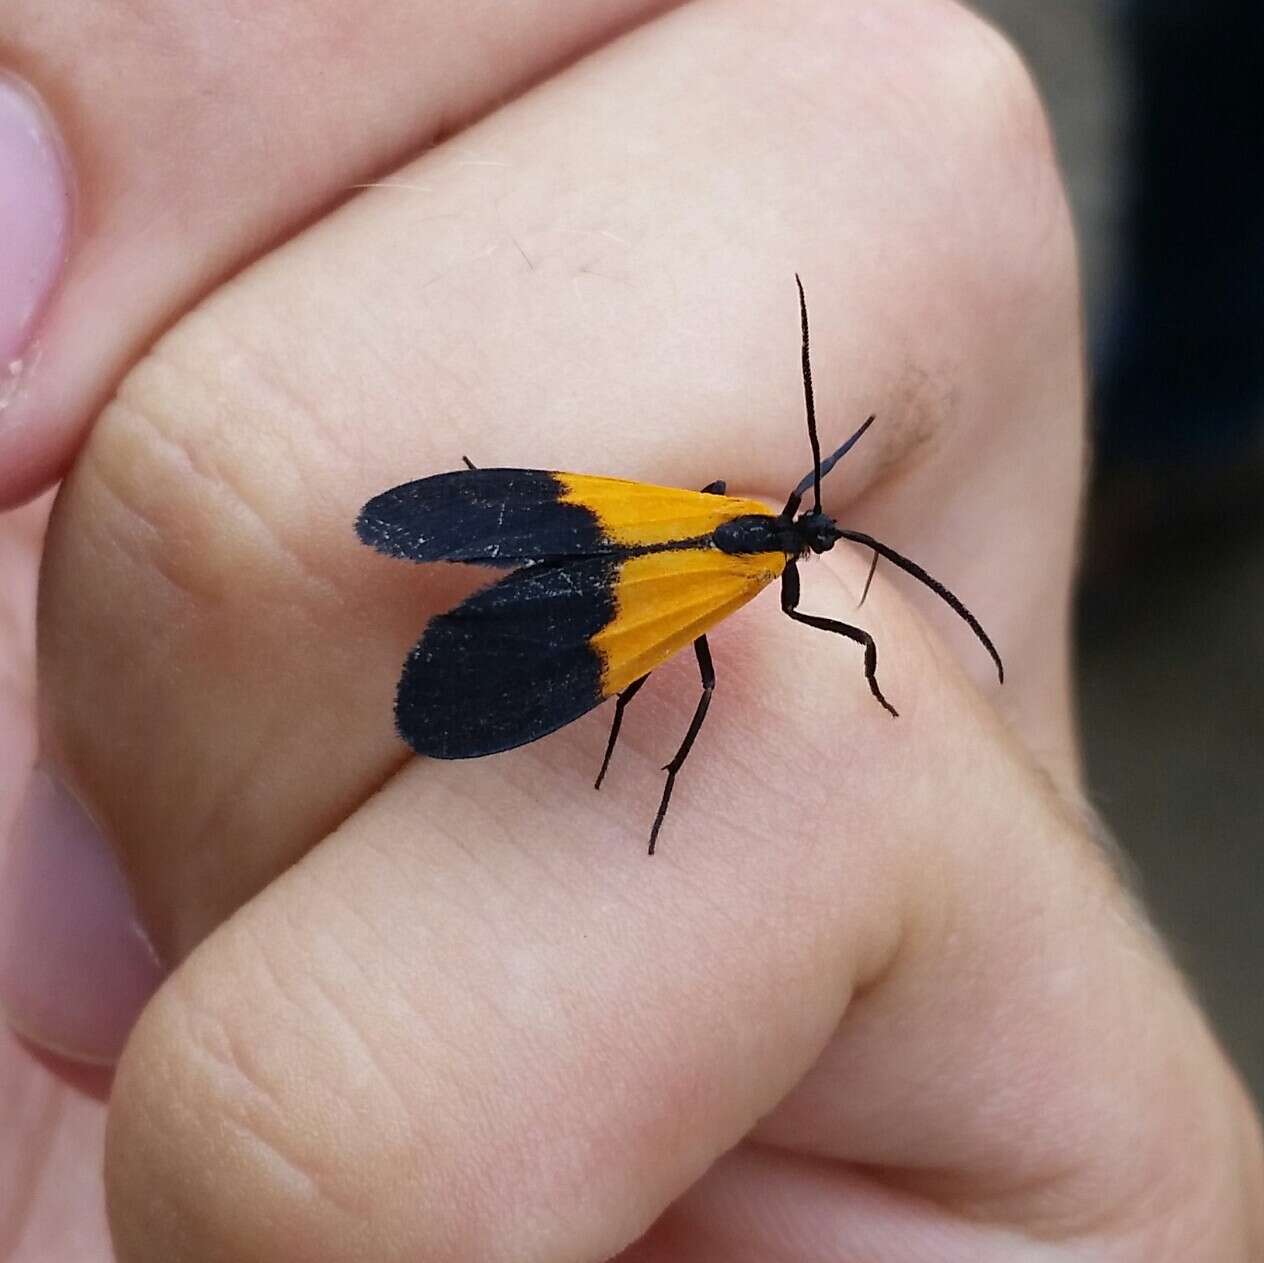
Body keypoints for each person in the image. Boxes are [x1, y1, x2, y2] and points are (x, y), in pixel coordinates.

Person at [0, 2, 1260, 1259]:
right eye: (816, 535)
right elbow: (725, 656)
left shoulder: (730, 537)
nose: (816, 542)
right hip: (632, 577)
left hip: (628, 560)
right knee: (676, 679)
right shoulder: (748, 568)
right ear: (802, 546)